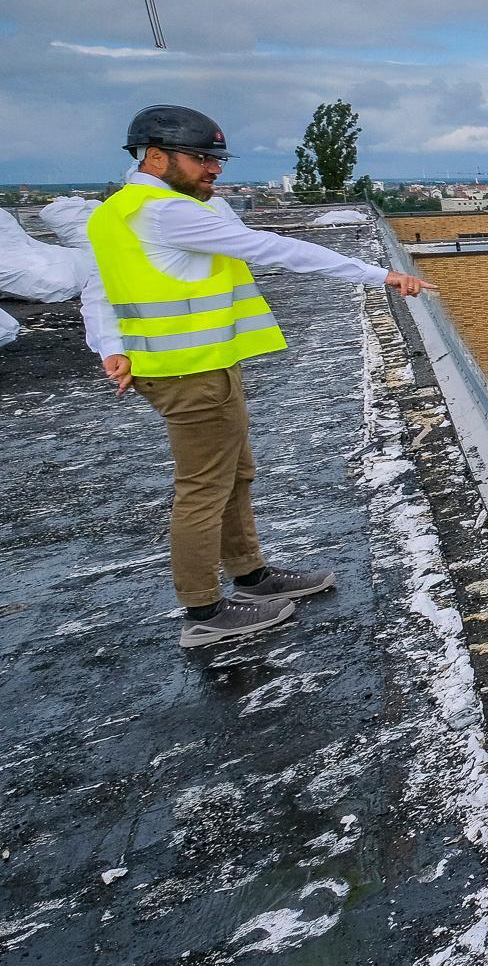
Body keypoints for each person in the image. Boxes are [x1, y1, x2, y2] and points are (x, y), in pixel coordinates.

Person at [81, 105, 437, 648]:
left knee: (233, 476)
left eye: (215, 159)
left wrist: (112, 347)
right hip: (191, 373)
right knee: (203, 489)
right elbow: (276, 249)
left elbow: (101, 289)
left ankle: (250, 576)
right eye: (201, 158)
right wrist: (379, 274)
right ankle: (203, 613)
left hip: (189, 369)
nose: (213, 169)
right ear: (156, 155)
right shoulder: (165, 212)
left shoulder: (116, 211)